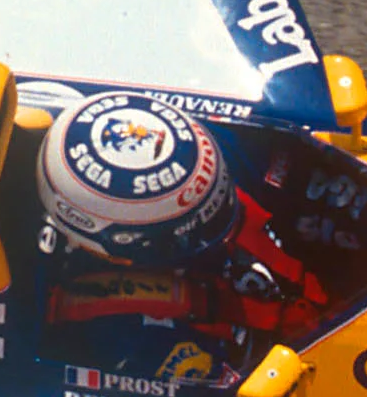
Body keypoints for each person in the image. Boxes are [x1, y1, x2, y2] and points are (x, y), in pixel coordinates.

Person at [34, 90, 328, 376]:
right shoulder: (120, 336)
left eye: (219, 196)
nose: (216, 229)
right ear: (117, 247)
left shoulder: (205, 149)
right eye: (186, 233)